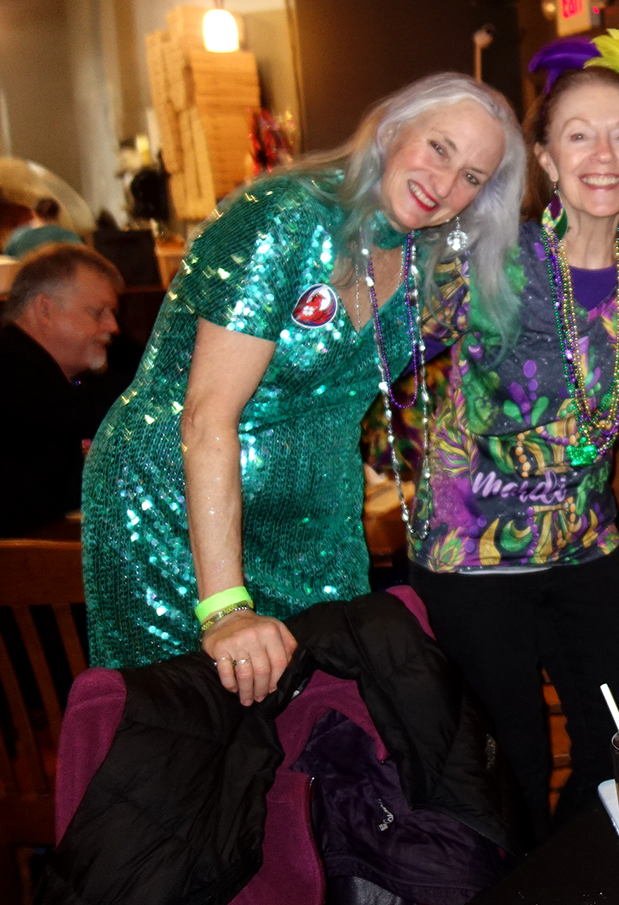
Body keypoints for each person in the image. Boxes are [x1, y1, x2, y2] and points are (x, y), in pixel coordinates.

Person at [81, 74, 524, 699]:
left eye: (472, 176)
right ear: (393, 129)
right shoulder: (285, 218)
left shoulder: (430, 265)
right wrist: (226, 608)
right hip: (172, 505)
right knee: (184, 724)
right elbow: (207, 416)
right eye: (439, 148)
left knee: (329, 715)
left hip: (312, 517)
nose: (445, 184)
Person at [408, 29, 619, 839]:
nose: (603, 155)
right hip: (471, 557)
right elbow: (376, 351)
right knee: (511, 770)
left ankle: (585, 879)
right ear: (546, 159)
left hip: (586, 549)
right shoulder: (485, 255)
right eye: (579, 135)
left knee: (618, 757)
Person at [0, 243, 121, 536]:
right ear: (44, 309)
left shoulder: (37, 369)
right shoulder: (9, 367)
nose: (113, 326)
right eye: (98, 312)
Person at [5, 196, 84, 258]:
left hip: (26, 273)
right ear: (57, 214)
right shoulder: (66, 235)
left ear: (33, 213)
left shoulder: (18, 234)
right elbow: (82, 254)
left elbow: (8, 258)